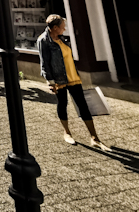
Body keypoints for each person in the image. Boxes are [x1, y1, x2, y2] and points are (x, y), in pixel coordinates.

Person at [37, 15, 110, 150]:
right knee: (63, 104)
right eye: (62, 27)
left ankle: (94, 137)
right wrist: (50, 81)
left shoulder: (62, 39)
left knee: (83, 104)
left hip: (73, 77)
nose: (64, 29)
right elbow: (44, 63)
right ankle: (67, 132)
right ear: (55, 28)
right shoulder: (44, 41)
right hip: (59, 79)